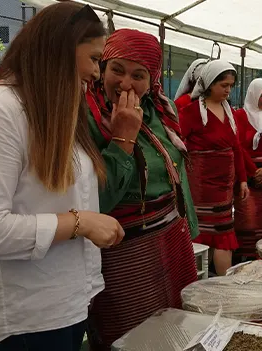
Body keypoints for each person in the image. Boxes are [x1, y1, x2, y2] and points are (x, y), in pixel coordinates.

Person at [0, 3, 126, 350]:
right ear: (61, 48)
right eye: (93, 59)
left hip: (61, 306)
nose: (96, 73)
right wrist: (82, 223)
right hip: (18, 321)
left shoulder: (52, 111)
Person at [85, 29, 199, 350]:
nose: (125, 84)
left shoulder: (162, 111)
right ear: (102, 68)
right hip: (123, 250)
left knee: (177, 330)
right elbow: (97, 198)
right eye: (116, 70)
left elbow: (177, 173)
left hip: (171, 239)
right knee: (131, 337)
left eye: (138, 75)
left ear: (152, 81)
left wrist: (188, 227)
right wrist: (123, 136)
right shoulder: (87, 116)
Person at [180, 60, 249, 276]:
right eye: (224, 85)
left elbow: (236, 148)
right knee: (201, 231)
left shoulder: (229, 112)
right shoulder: (191, 111)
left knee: (224, 232)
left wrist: (243, 180)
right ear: (209, 84)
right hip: (200, 186)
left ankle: (223, 285)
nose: (228, 90)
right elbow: (178, 145)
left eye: (231, 86)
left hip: (224, 186)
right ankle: (194, 282)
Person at [233, 78, 262, 260]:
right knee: (247, 215)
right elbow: (238, 146)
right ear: (253, 94)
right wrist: (254, 171)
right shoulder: (240, 116)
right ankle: (245, 255)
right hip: (246, 172)